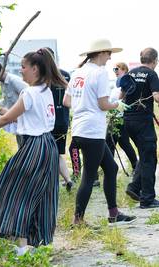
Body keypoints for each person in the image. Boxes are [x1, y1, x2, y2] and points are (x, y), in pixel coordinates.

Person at [0, 48, 63, 255]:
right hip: (48, 146)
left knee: (16, 192)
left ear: (35, 68)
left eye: (23, 67)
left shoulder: (29, 92)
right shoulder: (46, 90)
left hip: (34, 147)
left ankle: (23, 246)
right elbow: (20, 116)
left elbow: (7, 119)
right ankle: (35, 244)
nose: (21, 71)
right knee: (41, 195)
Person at [63, 39, 136, 225]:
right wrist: (117, 105)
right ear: (100, 53)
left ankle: (114, 213)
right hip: (92, 131)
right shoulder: (100, 73)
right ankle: (77, 220)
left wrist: (84, 106)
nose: (110, 57)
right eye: (108, 53)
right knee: (88, 177)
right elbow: (103, 104)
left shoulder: (78, 72)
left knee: (111, 168)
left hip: (80, 128)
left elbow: (67, 102)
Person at [122, 48, 159, 209]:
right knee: (149, 157)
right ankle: (147, 199)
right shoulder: (151, 74)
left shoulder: (130, 73)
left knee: (145, 156)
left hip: (128, 121)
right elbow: (157, 97)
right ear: (155, 60)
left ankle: (134, 187)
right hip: (143, 122)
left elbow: (120, 96)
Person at [46, 47, 74, 191]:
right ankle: (68, 179)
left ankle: (52, 184)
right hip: (62, 121)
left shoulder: (43, 76)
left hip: (48, 122)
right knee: (57, 153)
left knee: (47, 153)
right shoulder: (66, 75)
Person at [0, 60, 27, 148]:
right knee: (21, 148)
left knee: (26, 148)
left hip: (26, 122)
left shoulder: (14, 81)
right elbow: (7, 101)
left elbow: (29, 96)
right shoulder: (2, 83)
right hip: (17, 122)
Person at [106, 62, 138, 172]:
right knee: (121, 143)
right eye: (114, 69)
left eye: (117, 69)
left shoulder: (126, 82)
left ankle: (110, 167)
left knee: (112, 143)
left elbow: (122, 100)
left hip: (120, 118)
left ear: (124, 69)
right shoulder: (118, 83)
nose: (115, 71)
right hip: (114, 117)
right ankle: (135, 165)